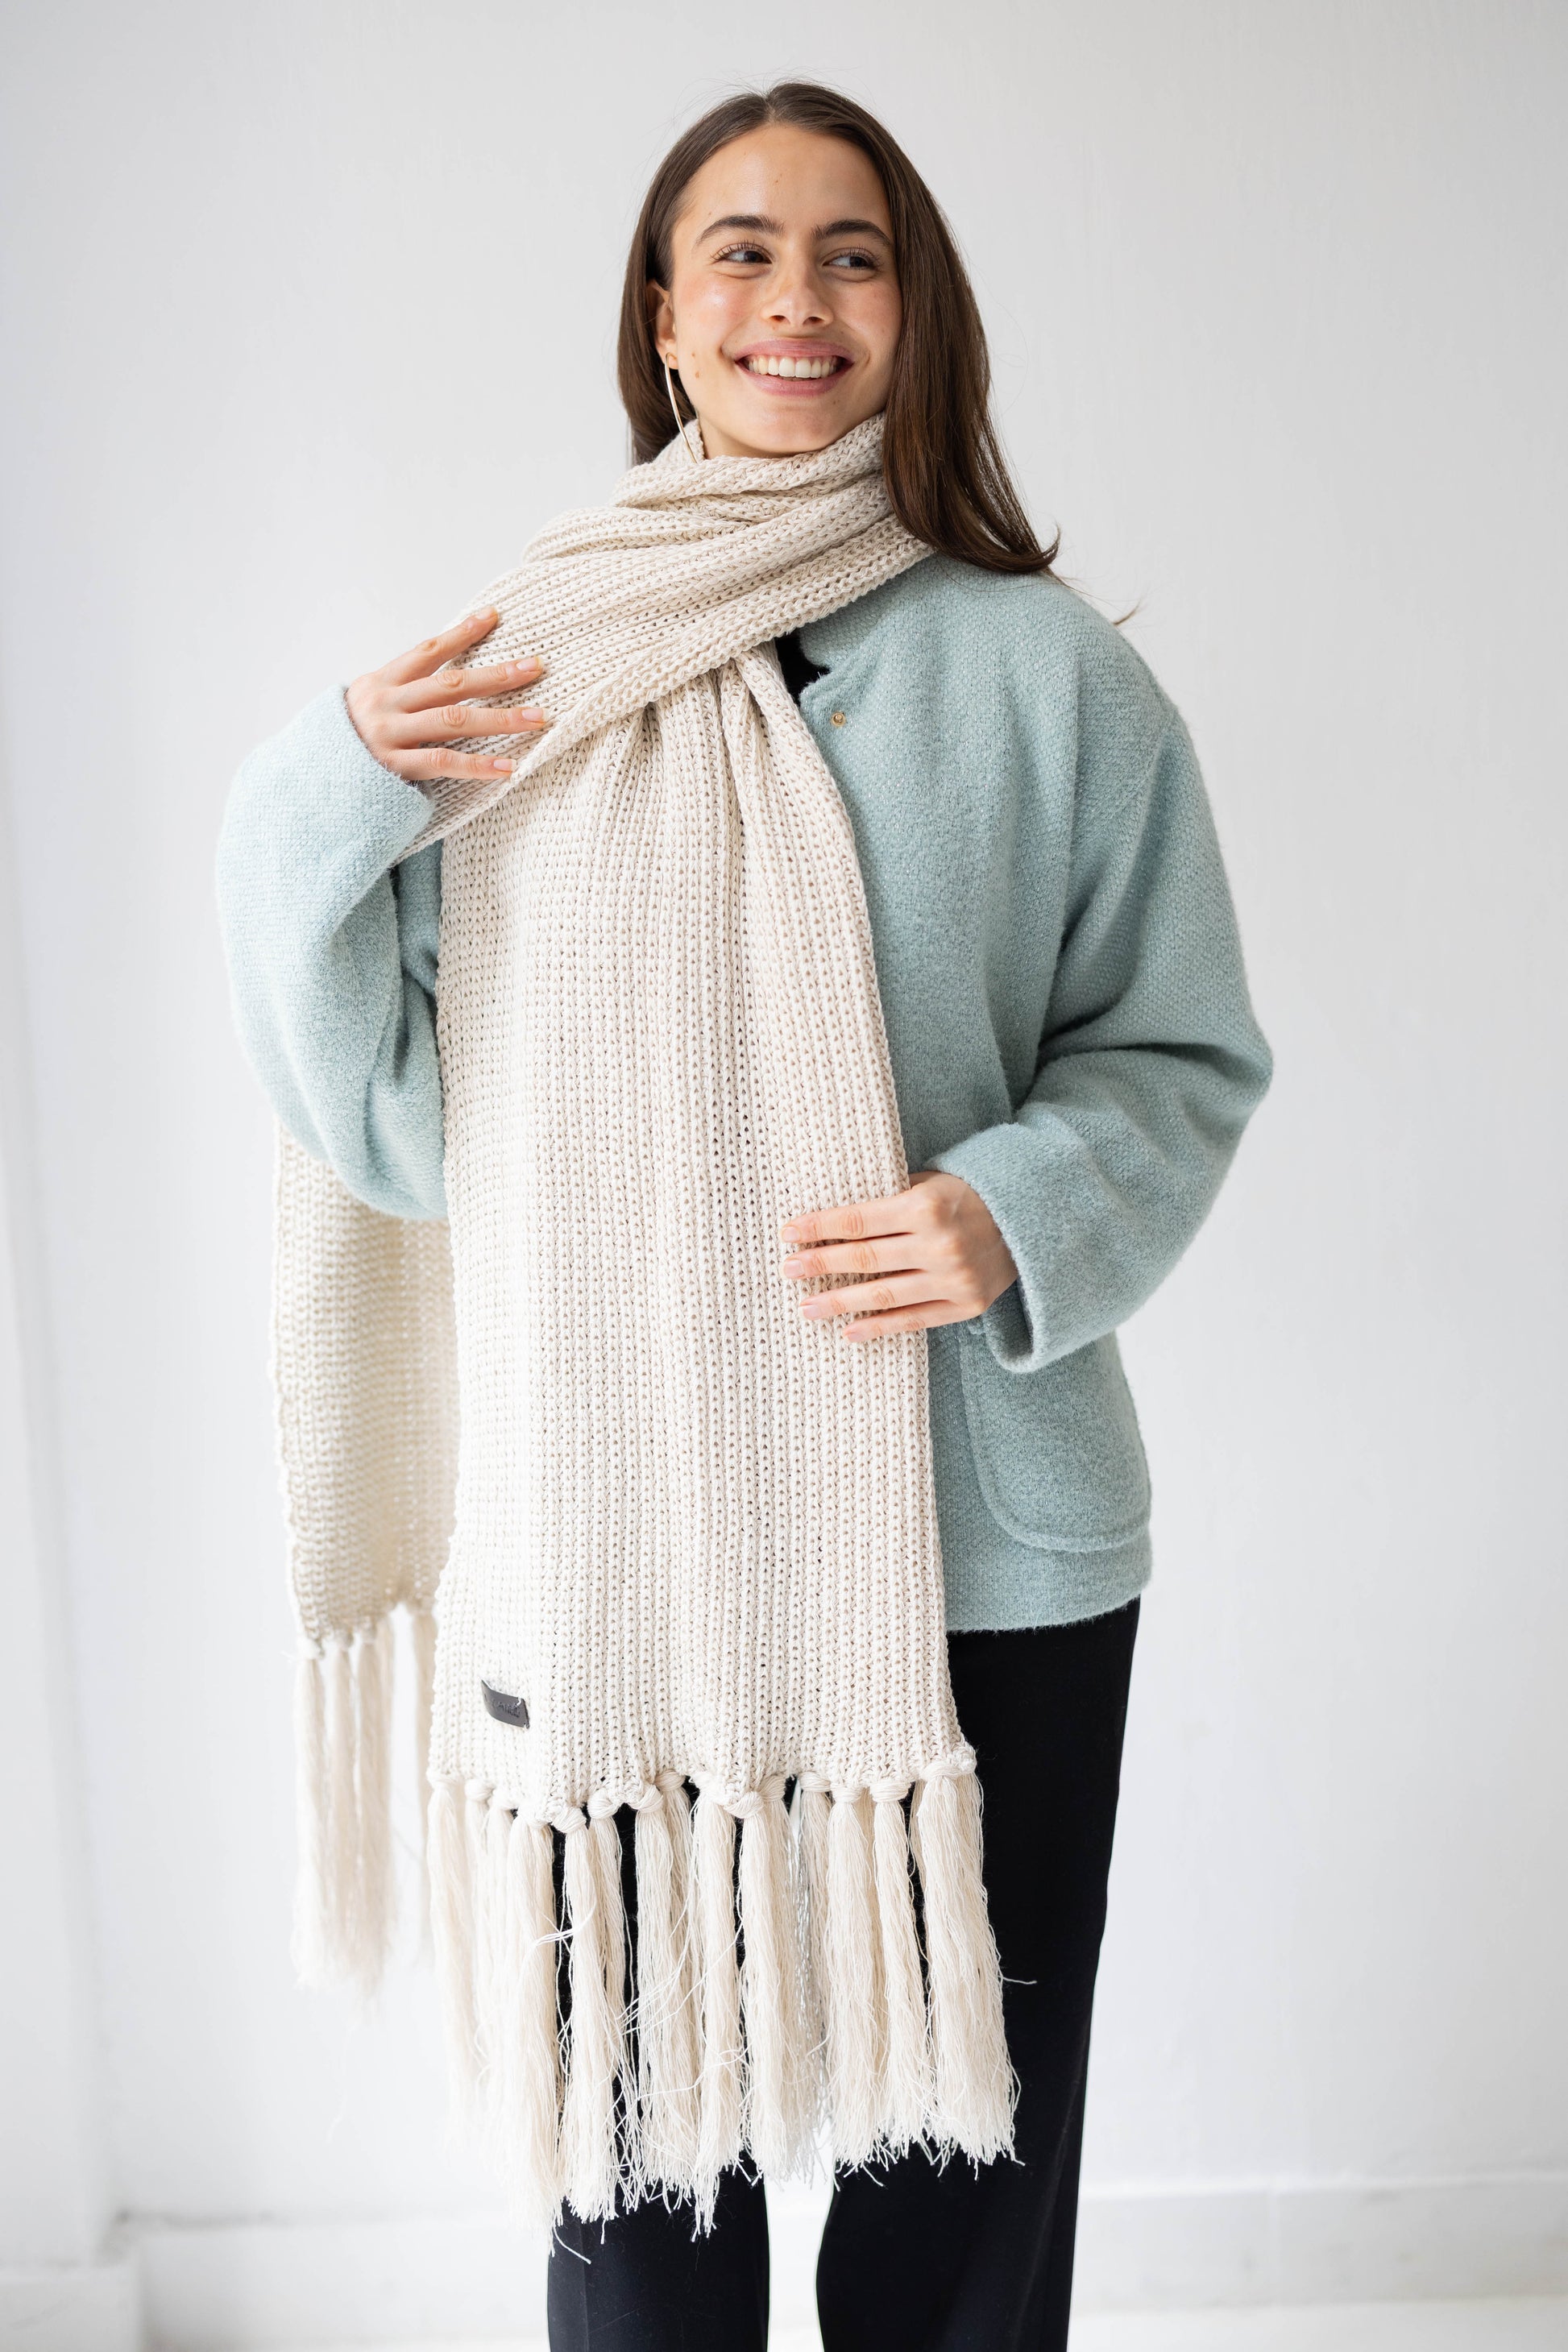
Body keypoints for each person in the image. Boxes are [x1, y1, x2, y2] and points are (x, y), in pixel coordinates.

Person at [217, 80, 1271, 2352]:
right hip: (620, 1549)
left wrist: (1014, 1213)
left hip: (984, 1547)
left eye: (851, 253)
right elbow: (399, 1135)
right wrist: (320, 795)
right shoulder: (515, 675)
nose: (799, 298)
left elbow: (1179, 1053)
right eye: (744, 251)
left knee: (963, 2190)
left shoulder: (1054, 677)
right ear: (664, 315)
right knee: (636, 2195)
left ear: (914, 311)